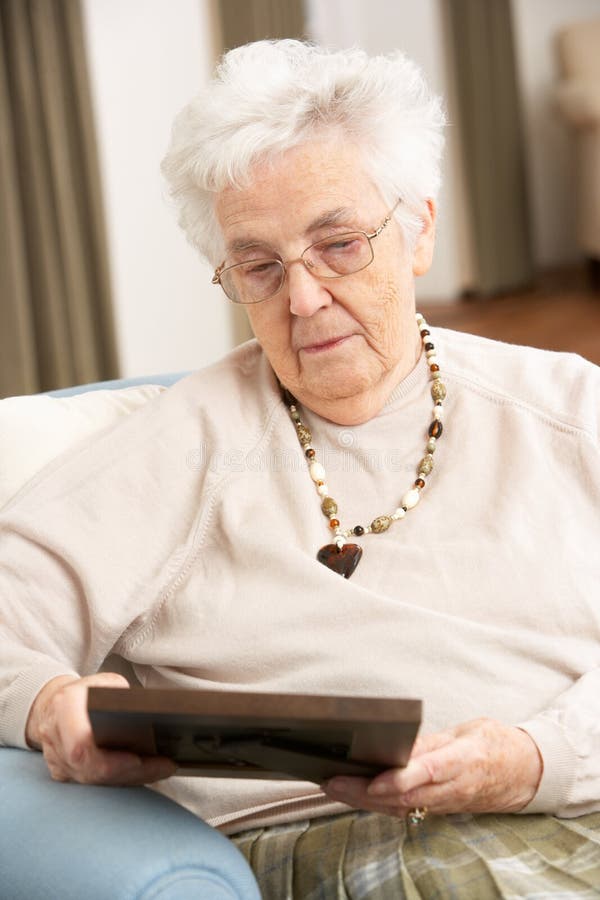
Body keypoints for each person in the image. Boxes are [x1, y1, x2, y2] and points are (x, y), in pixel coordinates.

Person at [1, 38, 600, 898]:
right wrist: (50, 703)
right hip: (339, 842)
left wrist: (538, 759)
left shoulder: (569, 410)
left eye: (340, 244)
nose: (305, 297)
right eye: (259, 266)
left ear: (420, 226)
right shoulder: (184, 445)